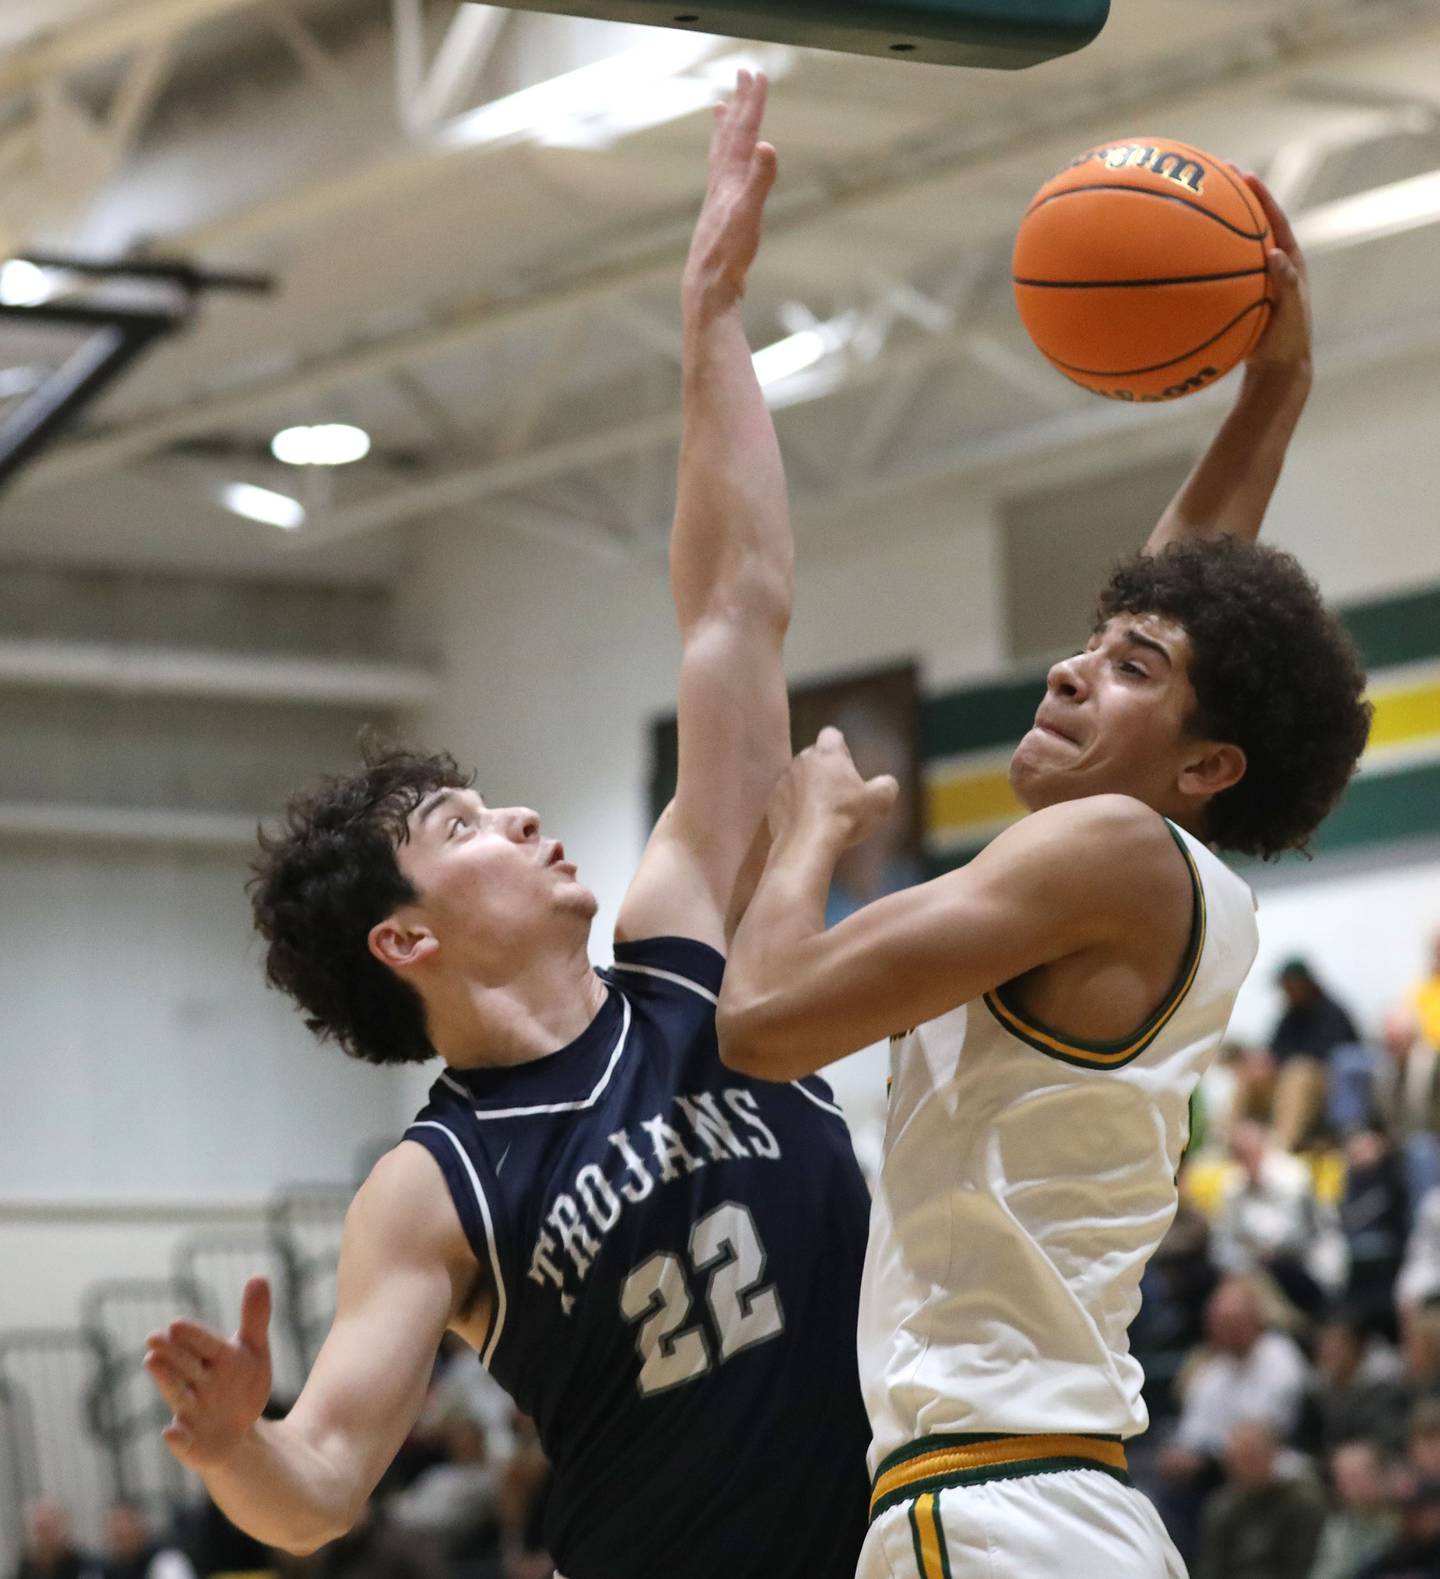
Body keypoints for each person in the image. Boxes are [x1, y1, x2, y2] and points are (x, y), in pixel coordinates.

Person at [141, 74, 873, 1579]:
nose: (524, 814)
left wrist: (707, 324)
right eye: (463, 821)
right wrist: (238, 1448)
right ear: (404, 934)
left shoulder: (684, 948)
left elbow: (735, 604)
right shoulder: (436, 1179)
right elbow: (328, 1475)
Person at [717, 177, 1373, 1578]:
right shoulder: (1163, 873)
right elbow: (1193, 599)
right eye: (1097, 640)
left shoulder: (1108, 847)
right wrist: (1278, 380)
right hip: (1050, 1505)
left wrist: (806, 841)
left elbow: (763, 1017)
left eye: (1130, 667)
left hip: (992, 1503)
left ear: (1208, 764)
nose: (1075, 664)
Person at [1192, 1420, 1326, 1579]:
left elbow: (1301, 1567)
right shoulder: (1221, 1505)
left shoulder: (1301, 1502)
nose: (1240, 1466)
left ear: (1272, 1454)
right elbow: (1210, 1567)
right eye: (1234, 1459)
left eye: (1250, 1457)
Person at [1270, 959, 1361, 1150]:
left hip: (1328, 1086)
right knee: (1253, 1074)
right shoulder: (1289, 1016)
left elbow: (1328, 1055)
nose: (1287, 992)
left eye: (1290, 986)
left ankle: (1279, 1149)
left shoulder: (1333, 1013)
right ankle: (1223, 1149)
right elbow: (1274, 1051)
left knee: (1298, 1072)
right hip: (1289, 1079)